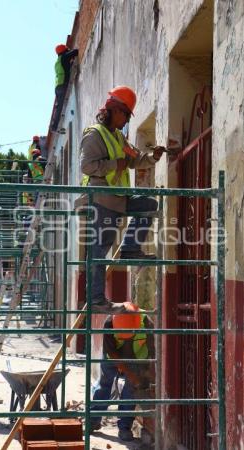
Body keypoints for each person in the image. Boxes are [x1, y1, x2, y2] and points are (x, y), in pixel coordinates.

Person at [78, 85, 165, 313]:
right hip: (103, 199)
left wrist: (152, 157)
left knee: (148, 204)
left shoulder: (118, 137)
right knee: (98, 250)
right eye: (125, 114)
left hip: (119, 197)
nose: (127, 120)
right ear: (114, 109)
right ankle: (96, 299)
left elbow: (135, 159)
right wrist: (114, 164)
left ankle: (129, 248)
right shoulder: (94, 134)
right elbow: (86, 166)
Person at [90, 302, 155, 442]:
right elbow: (111, 352)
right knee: (105, 384)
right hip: (114, 355)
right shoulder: (109, 323)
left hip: (137, 356)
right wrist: (128, 372)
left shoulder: (146, 321)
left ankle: (124, 427)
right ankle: (93, 419)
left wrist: (144, 372)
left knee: (131, 390)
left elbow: (152, 350)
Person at [52, 44, 79, 131]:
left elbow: (65, 68)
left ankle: (54, 125)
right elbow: (75, 52)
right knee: (60, 107)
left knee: (58, 106)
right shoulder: (65, 57)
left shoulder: (58, 61)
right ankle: (55, 127)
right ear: (64, 51)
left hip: (57, 86)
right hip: (63, 84)